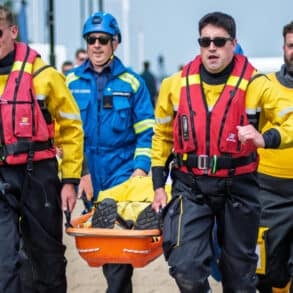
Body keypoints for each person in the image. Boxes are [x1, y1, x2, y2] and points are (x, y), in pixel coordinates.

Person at [151, 11, 293, 293]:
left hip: (239, 187)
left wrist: (265, 137)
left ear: (233, 43)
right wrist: (158, 185)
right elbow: (162, 137)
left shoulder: (257, 84)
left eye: (219, 40)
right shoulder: (174, 85)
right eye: (205, 42)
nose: (212, 47)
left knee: (240, 279)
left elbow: (290, 119)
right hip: (190, 186)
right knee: (186, 269)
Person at [66, 11, 154, 293]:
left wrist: (139, 170)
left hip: (122, 176)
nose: (96, 45)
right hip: (90, 177)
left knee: (116, 255)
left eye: (103, 39)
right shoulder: (70, 83)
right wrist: (81, 174)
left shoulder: (133, 83)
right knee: (105, 253)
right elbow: (66, 135)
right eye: (91, 39)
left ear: (115, 43)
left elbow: (146, 132)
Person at [0, 4, 84, 293]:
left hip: (39, 176)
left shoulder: (46, 76)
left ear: (13, 32)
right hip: (1, 178)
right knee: (3, 265)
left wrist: (71, 180)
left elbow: (72, 128)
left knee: (48, 261)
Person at [256, 21, 293, 293]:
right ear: (284, 48)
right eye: (292, 46)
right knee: (269, 274)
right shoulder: (263, 86)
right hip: (269, 194)